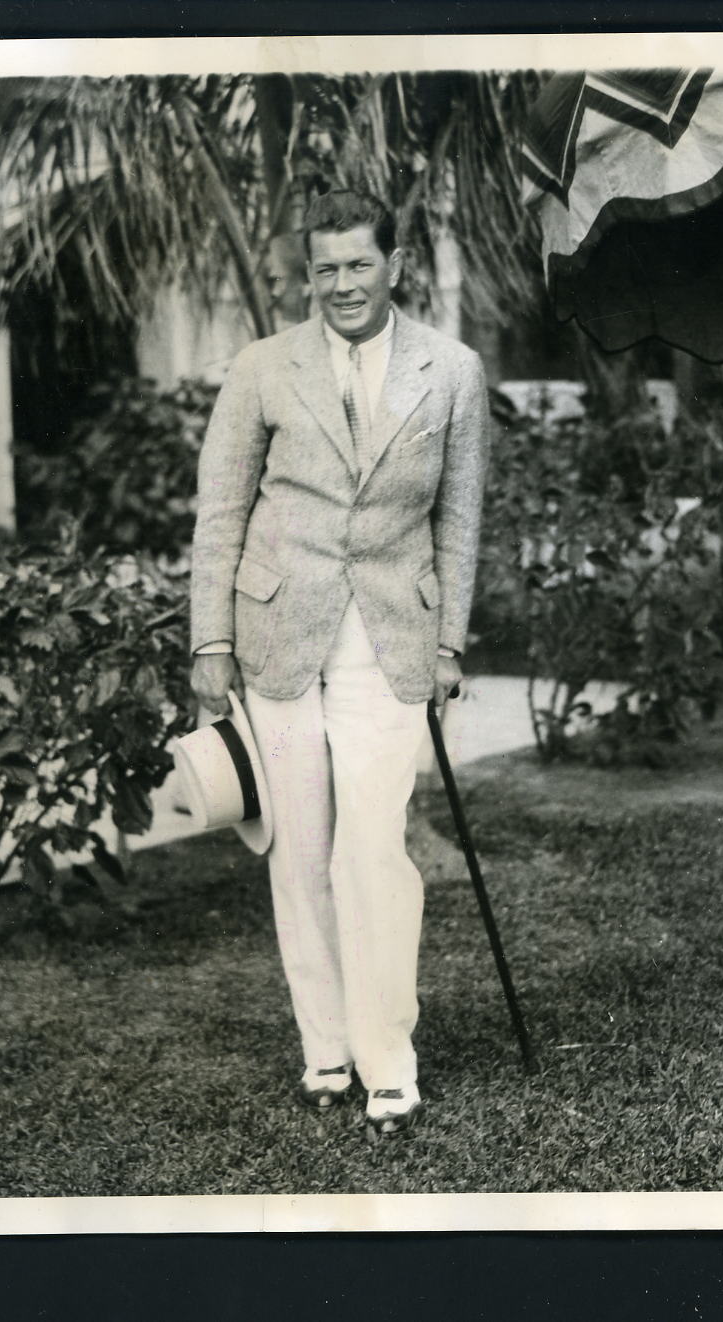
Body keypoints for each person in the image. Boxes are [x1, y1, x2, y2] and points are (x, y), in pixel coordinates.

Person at [189, 188, 490, 1137]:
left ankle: (387, 1057)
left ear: (394, 266)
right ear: (306, 275)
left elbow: (461, 518)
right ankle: (325, 1047)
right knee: (300, 852)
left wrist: (448, 644)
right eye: (325, 268)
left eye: (360, 264)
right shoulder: (262, 367)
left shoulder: (453, 370)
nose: (342, 284)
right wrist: (209, 640)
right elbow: (222, 513)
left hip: (390, 639)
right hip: (276, 634)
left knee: (374, 847)